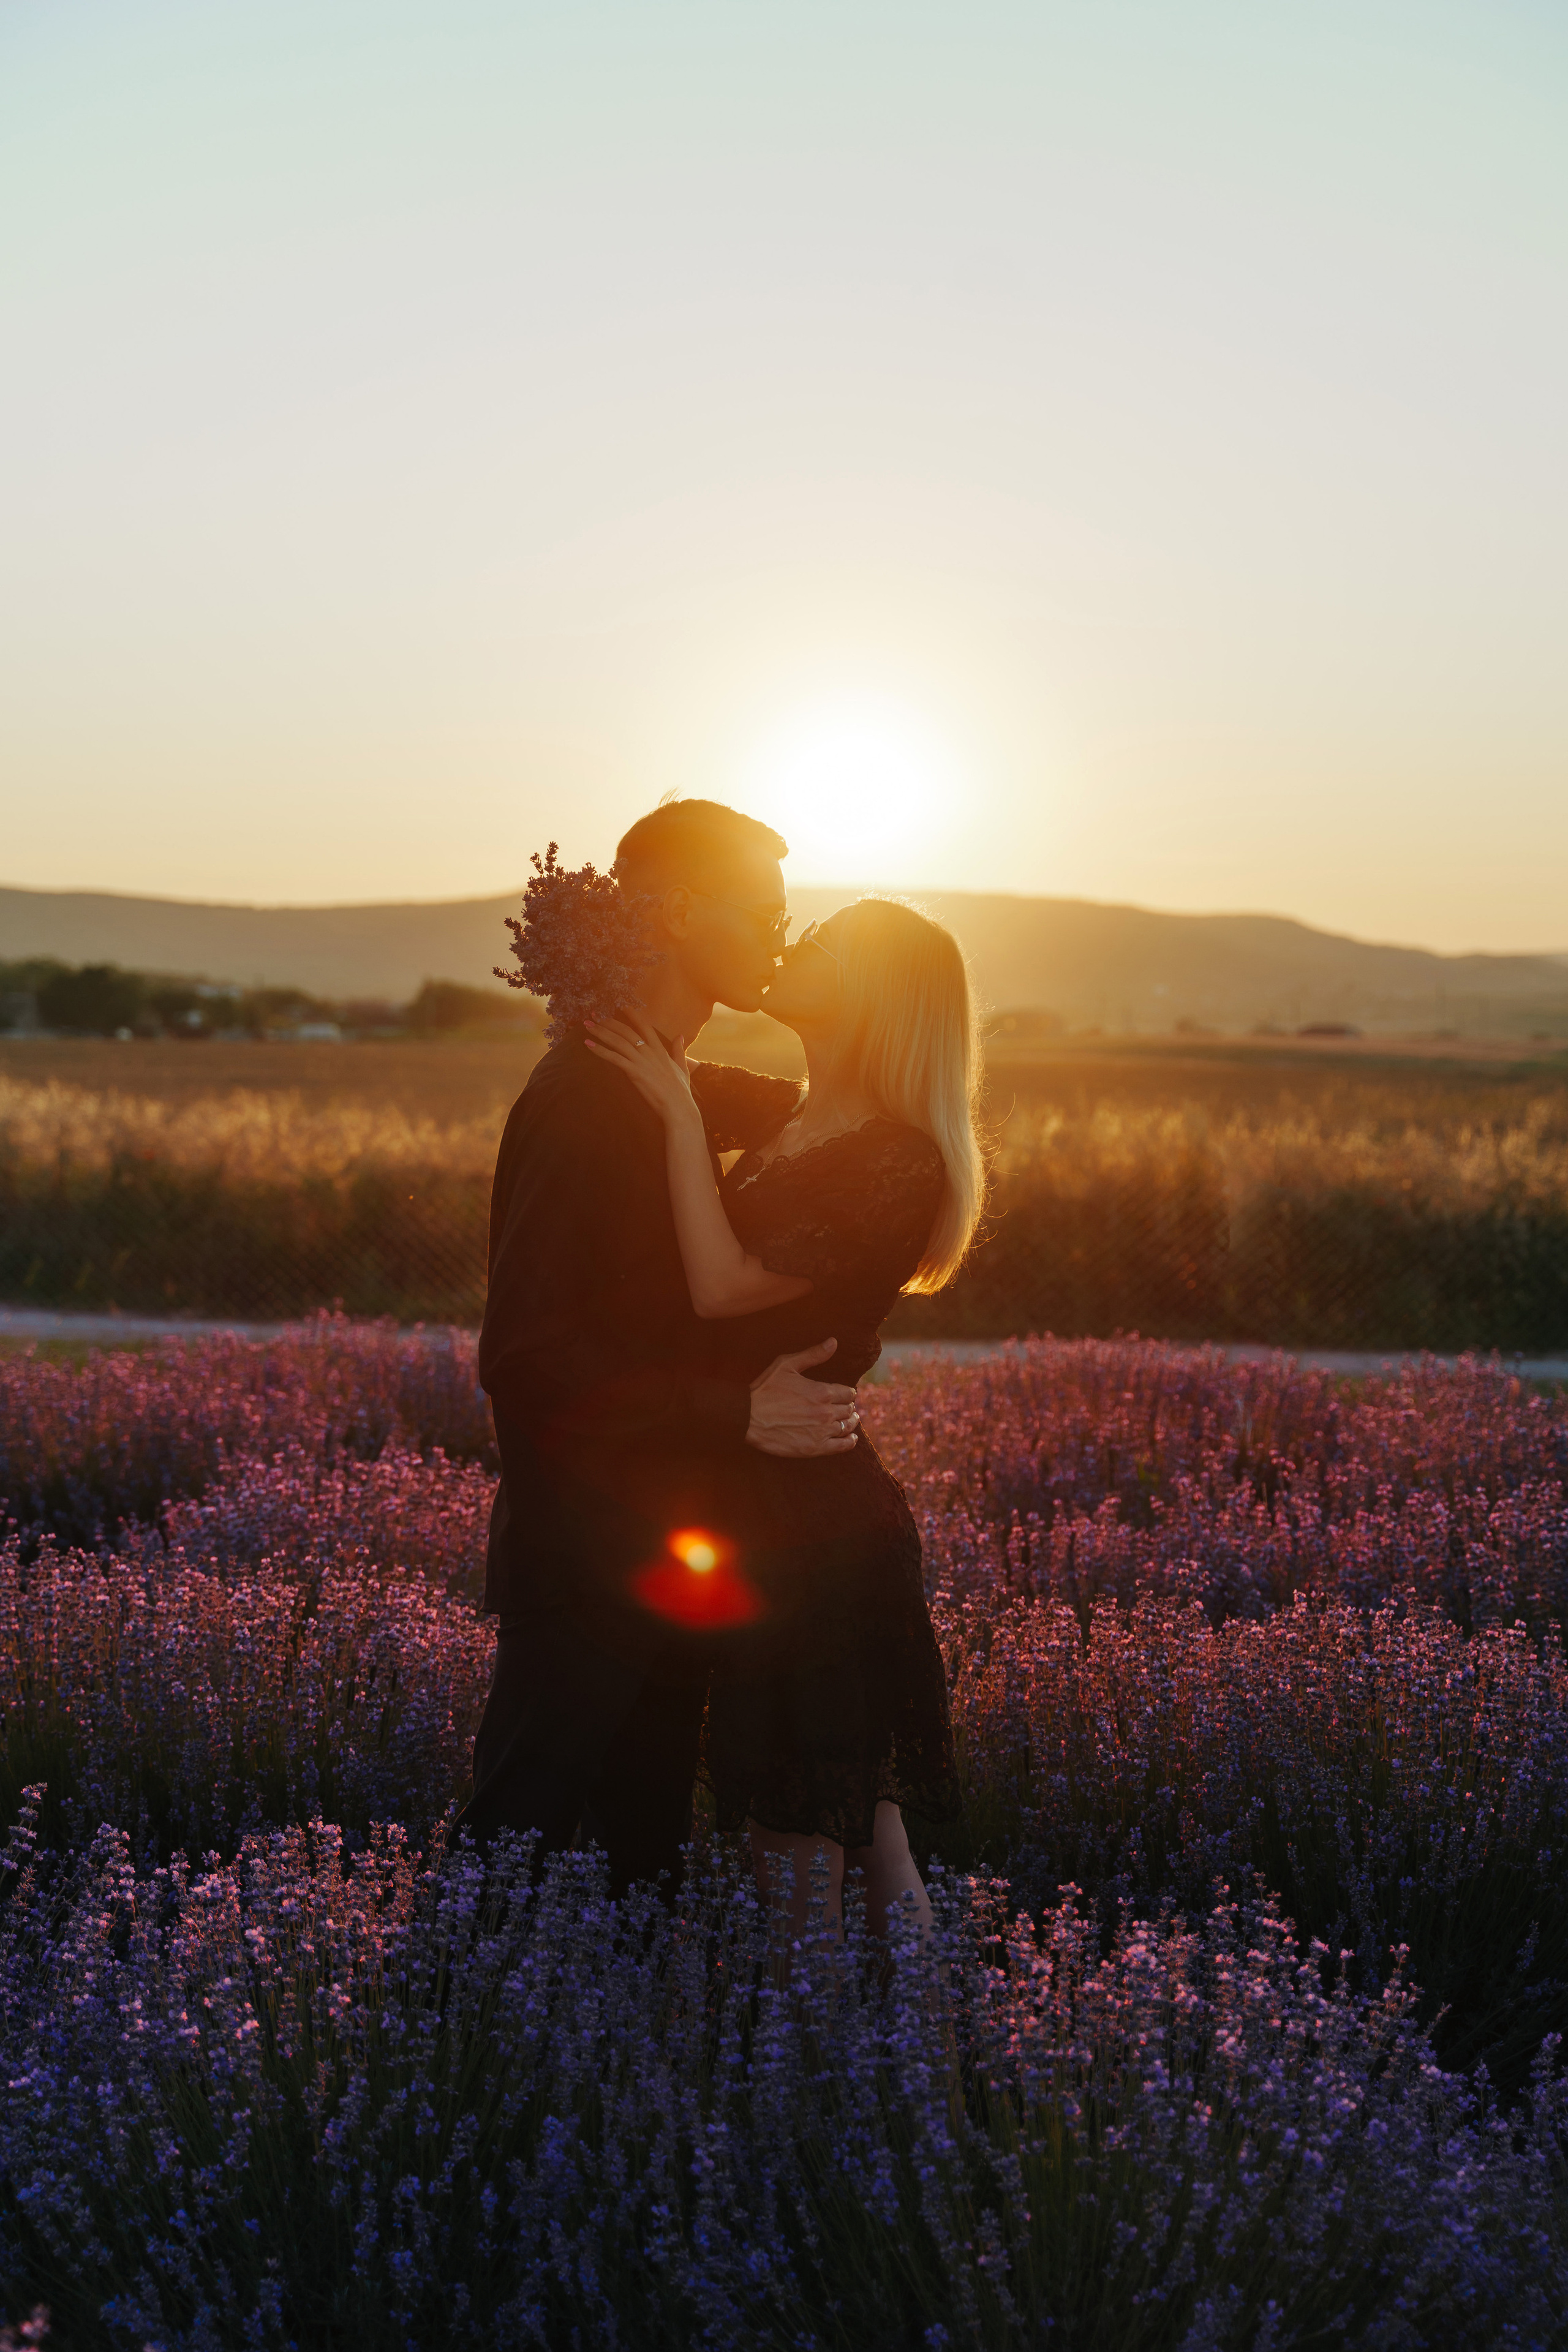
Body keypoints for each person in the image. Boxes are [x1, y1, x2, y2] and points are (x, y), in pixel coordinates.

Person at [457, 799, 859, 1895]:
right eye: (763, 912)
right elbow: (529, 1360)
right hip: (586, 1558)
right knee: (510, 1855)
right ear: (680, 913)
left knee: (641, 1878)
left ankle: (593, 2061)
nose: (782, 934)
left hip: (665, 1548)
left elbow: (837, 1122)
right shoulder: (590, 1095)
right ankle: (433, 2061)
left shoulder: (667, 1076)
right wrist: (732, 1411)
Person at [584, 894, 982, 1947]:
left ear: (876, 996)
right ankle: (921, 2095)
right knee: (860, 1835)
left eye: (825, 941)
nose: (792, 941)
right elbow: (621, 1060)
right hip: (771, 1503)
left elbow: (719, 1288)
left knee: (803, 1841)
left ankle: (834, 2094)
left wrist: (676, 1118)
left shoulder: (899, 1157)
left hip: (816, 1529)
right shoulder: (792, 1112)